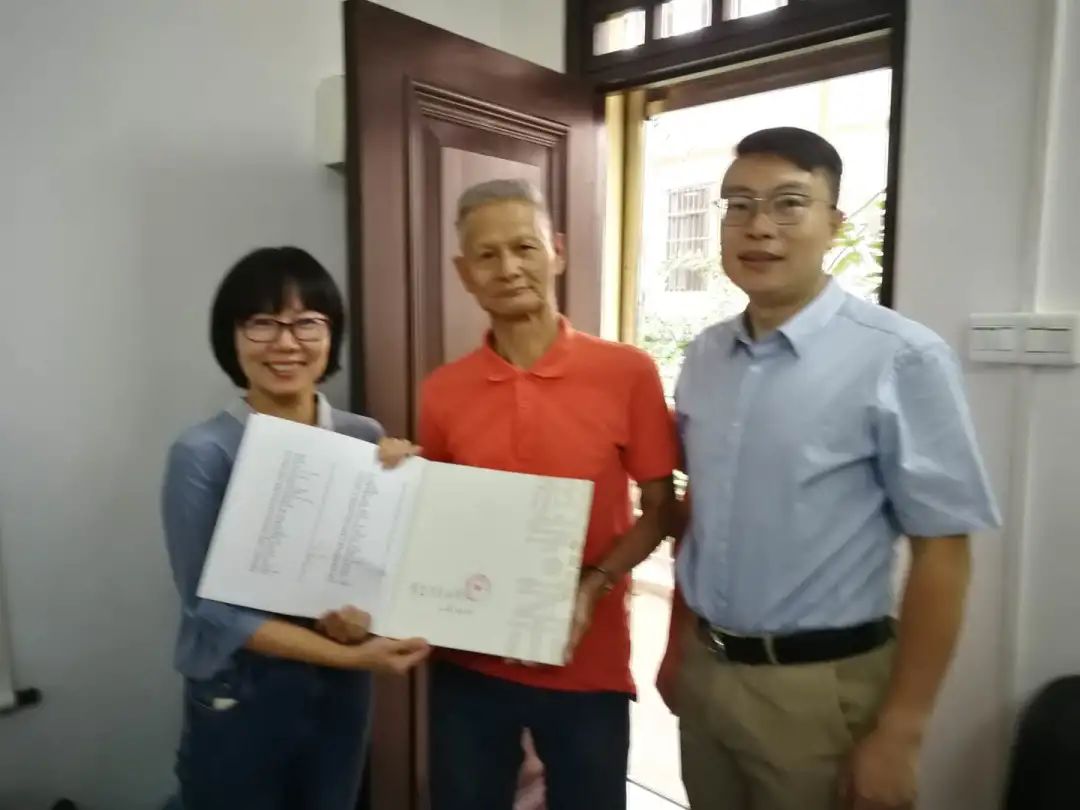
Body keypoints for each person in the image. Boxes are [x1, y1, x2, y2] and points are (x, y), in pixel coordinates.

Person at [656, 127, 1001, 810]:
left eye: (789, 203)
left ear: (834, 223)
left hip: (821, 692)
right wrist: (677, 648)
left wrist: (901, 731)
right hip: (708, 673)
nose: (760, 227)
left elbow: (944, 551)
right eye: (738, 205)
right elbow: (704, 510)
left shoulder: (900, 357)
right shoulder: (705, 356)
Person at [418, 179, 678, 810]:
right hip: (469, 661)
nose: (508, 268)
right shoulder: (441, 392)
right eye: (487, 255)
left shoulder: (627, 372)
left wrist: (594, 585)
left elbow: (661, 509)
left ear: (556, 251)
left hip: (587, 662)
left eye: (524, 247)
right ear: (464, 273)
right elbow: (439, 520)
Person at [162, 246, 430, 810]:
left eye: (307, 322)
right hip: (240, 694)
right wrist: (355, 657)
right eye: (262, 323)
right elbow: (211, 612)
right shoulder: (202, 453)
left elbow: (371, 576)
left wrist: (407, 487)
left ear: (331, 336)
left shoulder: (365, 439)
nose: (286, 343)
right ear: (232, 337)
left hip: (338, 696)